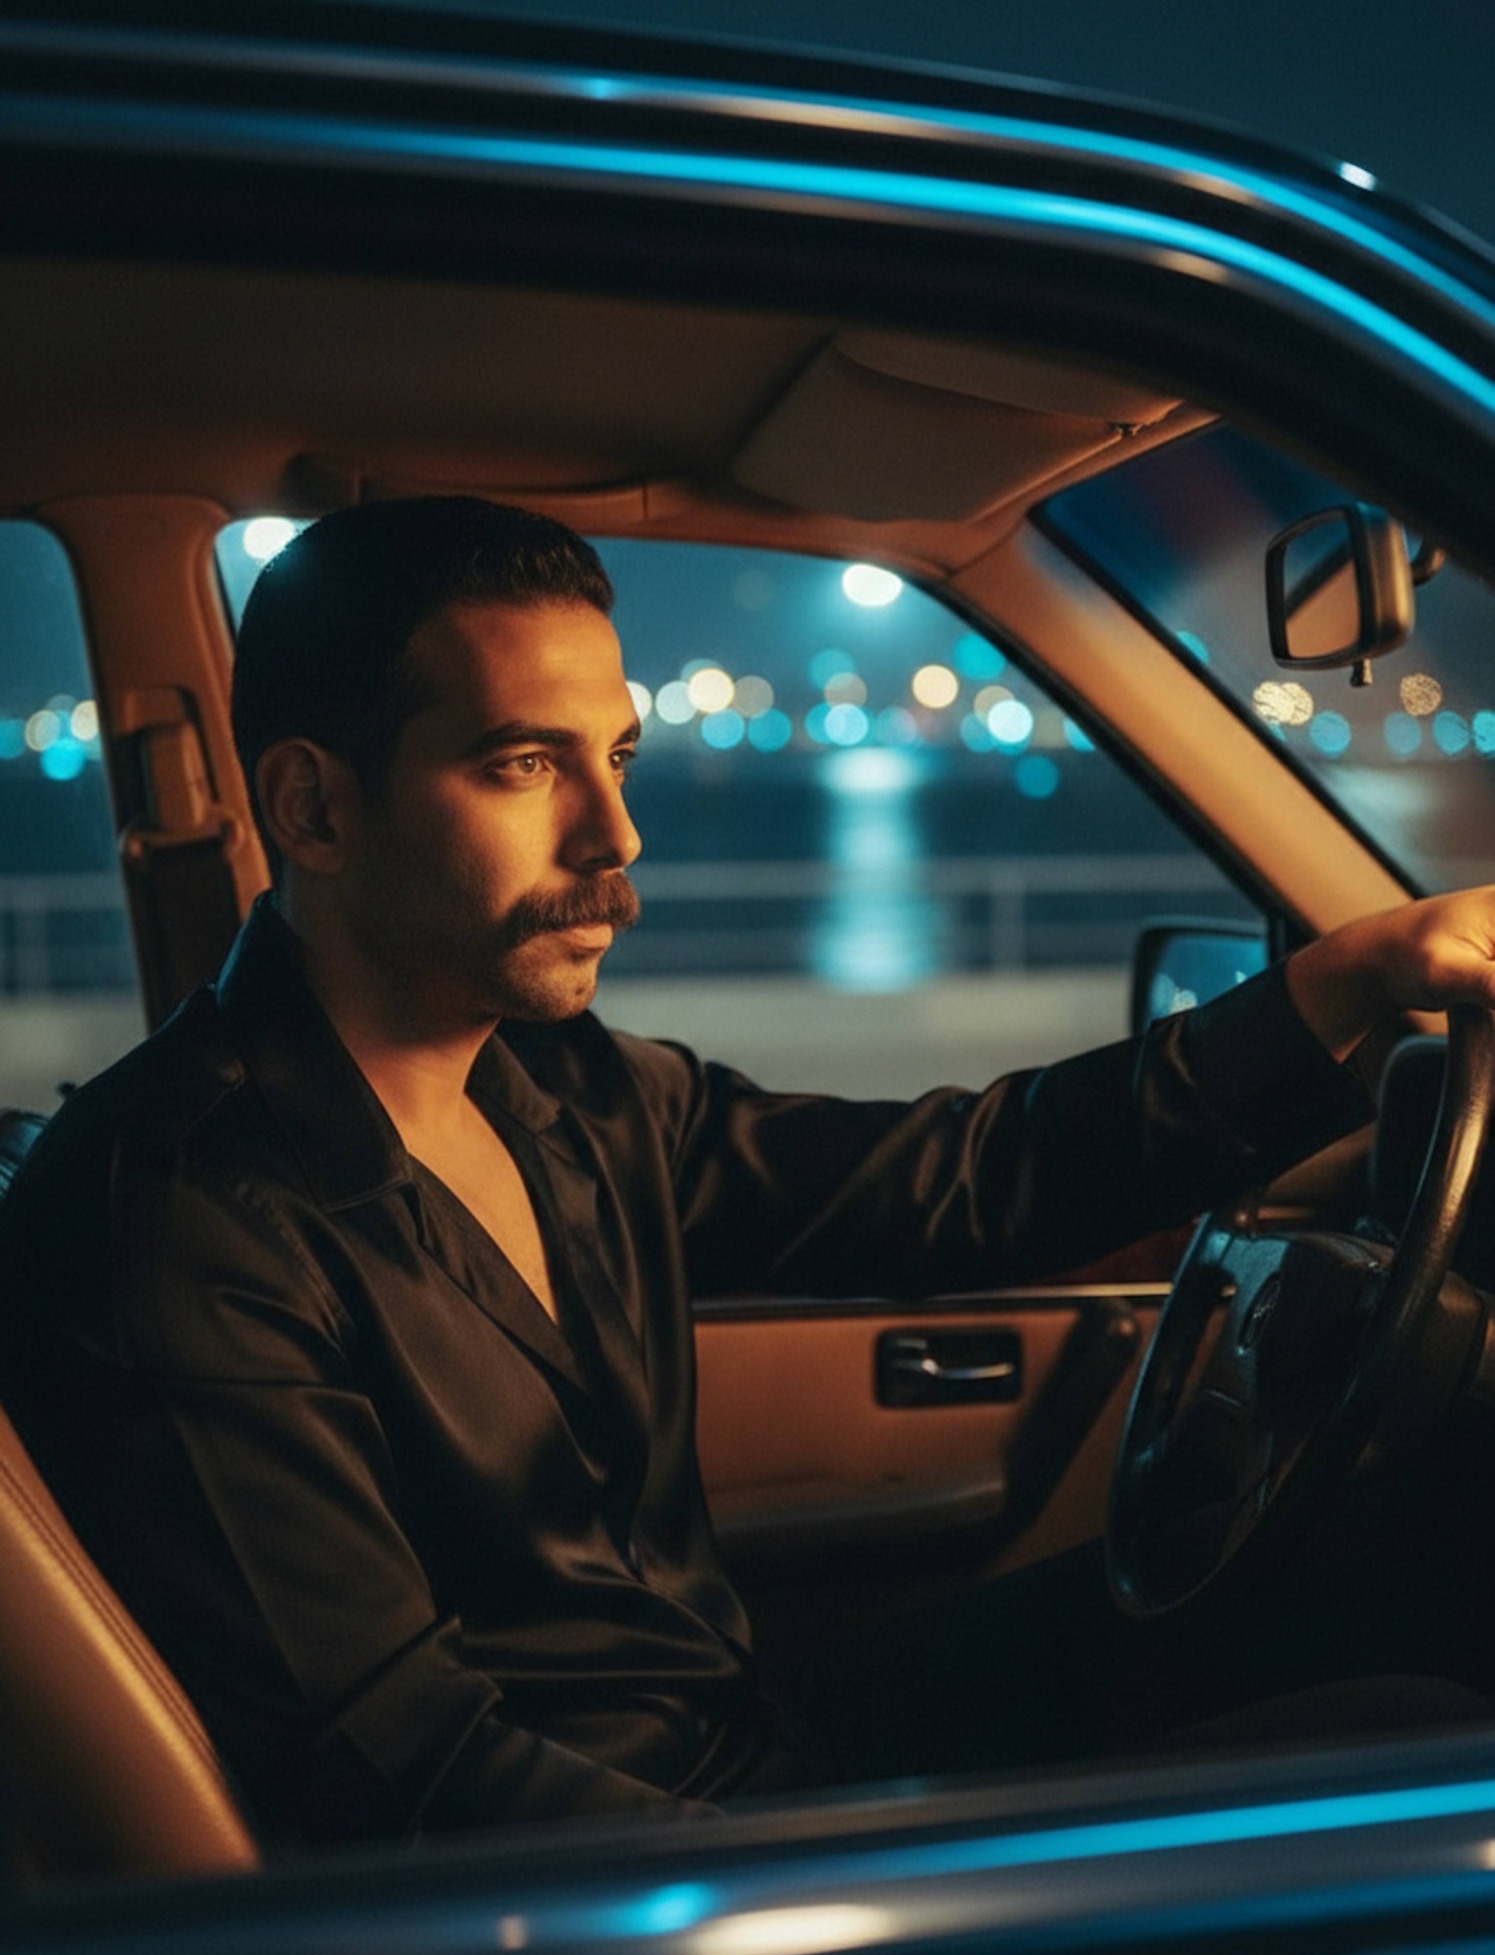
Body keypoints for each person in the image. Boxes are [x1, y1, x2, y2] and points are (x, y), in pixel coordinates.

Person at [3, 497, 1494, 1848]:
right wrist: (836, 1897)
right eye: (525, 764)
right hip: (618, 1897)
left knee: (1339, 1606)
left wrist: (1350, 983)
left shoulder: (565, 1091)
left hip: (748, 1751)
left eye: (619, 759)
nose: (620, 835)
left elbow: (965, 1182)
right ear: (316, 809)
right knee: (1412, 1773)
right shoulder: (184, 1217)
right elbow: (405, 1781)